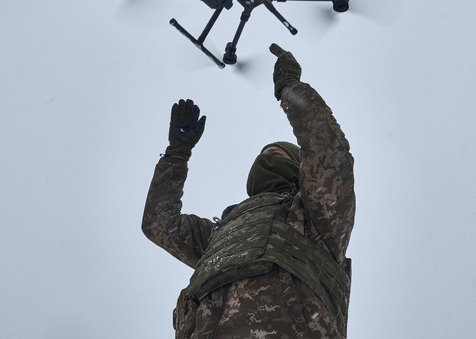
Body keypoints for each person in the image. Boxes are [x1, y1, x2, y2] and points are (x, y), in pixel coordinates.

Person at [142, 43, 355, 338]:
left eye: (278, 154)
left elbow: (328, 153)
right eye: (263, 154)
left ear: (299, 170)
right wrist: (176, 155)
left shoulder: (313, 216)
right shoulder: (220, 234)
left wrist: (289, 89)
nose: (267, 156)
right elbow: (159, 225)